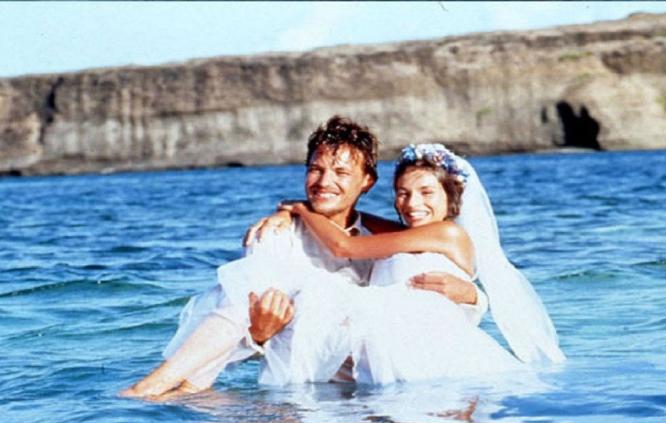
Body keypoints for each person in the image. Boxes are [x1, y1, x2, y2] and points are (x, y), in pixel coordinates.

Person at [122, 117, 484, 398]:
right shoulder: (277, 235)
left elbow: (348, 248)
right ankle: (168, 389)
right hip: (326, 380)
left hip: (403, 368)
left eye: (341, 172)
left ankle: (169, 390)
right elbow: (248, 322)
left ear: (367, 182)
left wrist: (472, 296)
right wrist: (258, 337)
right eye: (315, 169)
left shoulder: (394, 239)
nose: (325, 182)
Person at [256, 143, 565, 384]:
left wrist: (302, 210)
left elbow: (343, 246)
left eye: (426, 192)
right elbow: (353, 218)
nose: (412, 204)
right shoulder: (409, 236)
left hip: (433, 360)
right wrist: (291, 213)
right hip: (388, 358)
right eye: (403, 193)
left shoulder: (448, 234)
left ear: (451, 195)